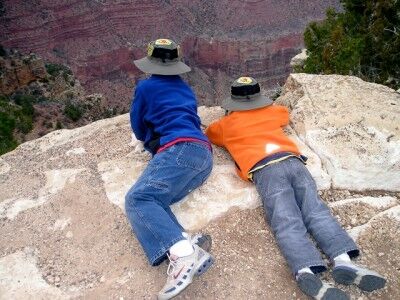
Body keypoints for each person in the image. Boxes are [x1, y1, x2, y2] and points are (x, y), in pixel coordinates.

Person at [205, 77, 386, 300]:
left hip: (266, 169)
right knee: (316, 211)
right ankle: (342, 260)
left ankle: (305, 270)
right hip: (294, 162)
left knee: (286, 219)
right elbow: (284, 115)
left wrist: (227, 117)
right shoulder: (271, 111)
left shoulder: (226, 125)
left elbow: (211, 134)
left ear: (233, 103)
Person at [125, 38, 214, 300]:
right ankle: (184, 239)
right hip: (203, 156)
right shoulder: (185, 89)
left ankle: (184, 256)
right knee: (156, 198)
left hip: (179, 151)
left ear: (150, 63)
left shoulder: (145, 87)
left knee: (139, 198)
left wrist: (149, 143)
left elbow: (138, 126)